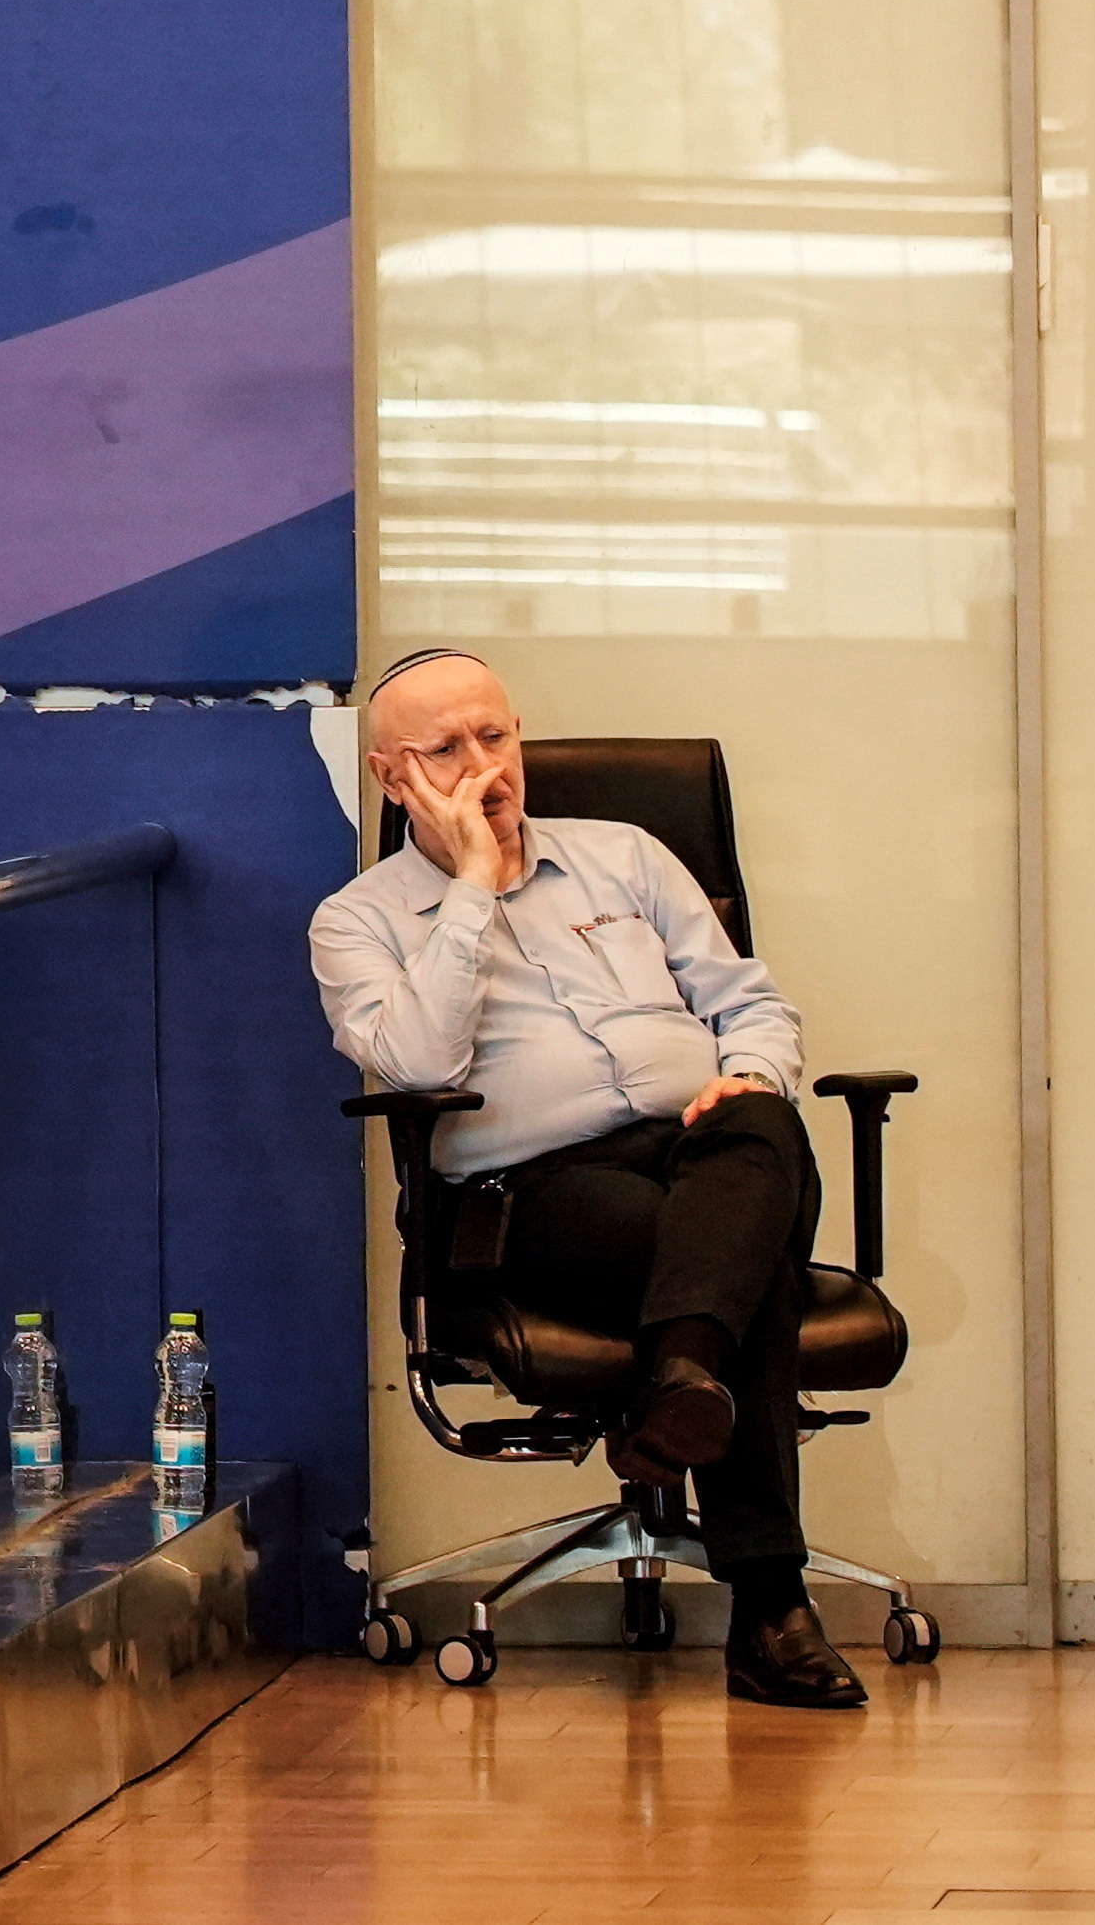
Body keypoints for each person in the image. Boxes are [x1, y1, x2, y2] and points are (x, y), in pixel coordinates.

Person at [307, 647, 870, 1709]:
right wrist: (471, 890)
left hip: (706, 1153)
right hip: (534, 1200)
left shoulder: (629, 857)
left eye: (497, 736)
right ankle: (768, 1602)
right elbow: (420, 1061)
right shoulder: (359, 921)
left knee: (760, 1130)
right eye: (448, 749)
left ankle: (681, 1383)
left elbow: (750, 1003)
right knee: (741, 1276)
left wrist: (747, 1072)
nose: (487, 767)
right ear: (392, 776)